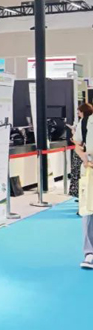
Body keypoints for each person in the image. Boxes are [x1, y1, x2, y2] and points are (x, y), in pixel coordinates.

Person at [74, 103, 93, 269]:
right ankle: (89, 253)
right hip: (90, 170)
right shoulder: (86, 122)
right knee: (88, 210)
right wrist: (85, 159)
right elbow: (77, 144)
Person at [69, 103, 93, 200]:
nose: (78, 114)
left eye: (79, 112)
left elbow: (78, 142)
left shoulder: (84, 122)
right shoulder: (85, 122)